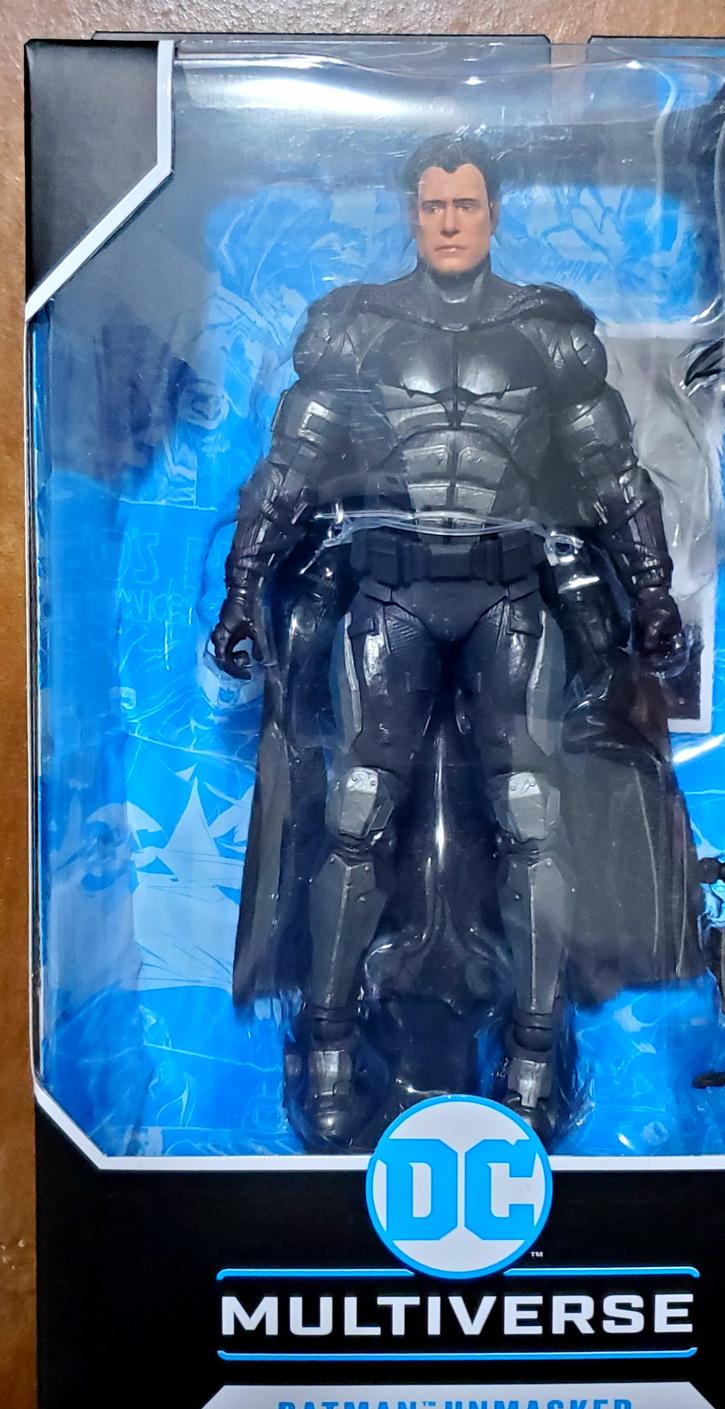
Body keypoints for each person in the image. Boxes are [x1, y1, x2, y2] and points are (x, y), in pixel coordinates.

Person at [212, 134, 689, 1146]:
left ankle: (531, 1052)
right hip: (388, 594)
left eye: (465, 204)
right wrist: (243, 588)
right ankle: (330, 1043)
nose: (448, 222)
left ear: (492, 213)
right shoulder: (357, 329)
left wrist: (651, 593)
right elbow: (288, 471)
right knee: (353, 813)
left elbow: (612, 478)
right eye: (432, 205)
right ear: (412, 213)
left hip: (507, 596)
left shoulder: (548, 334)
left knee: (533, 816)